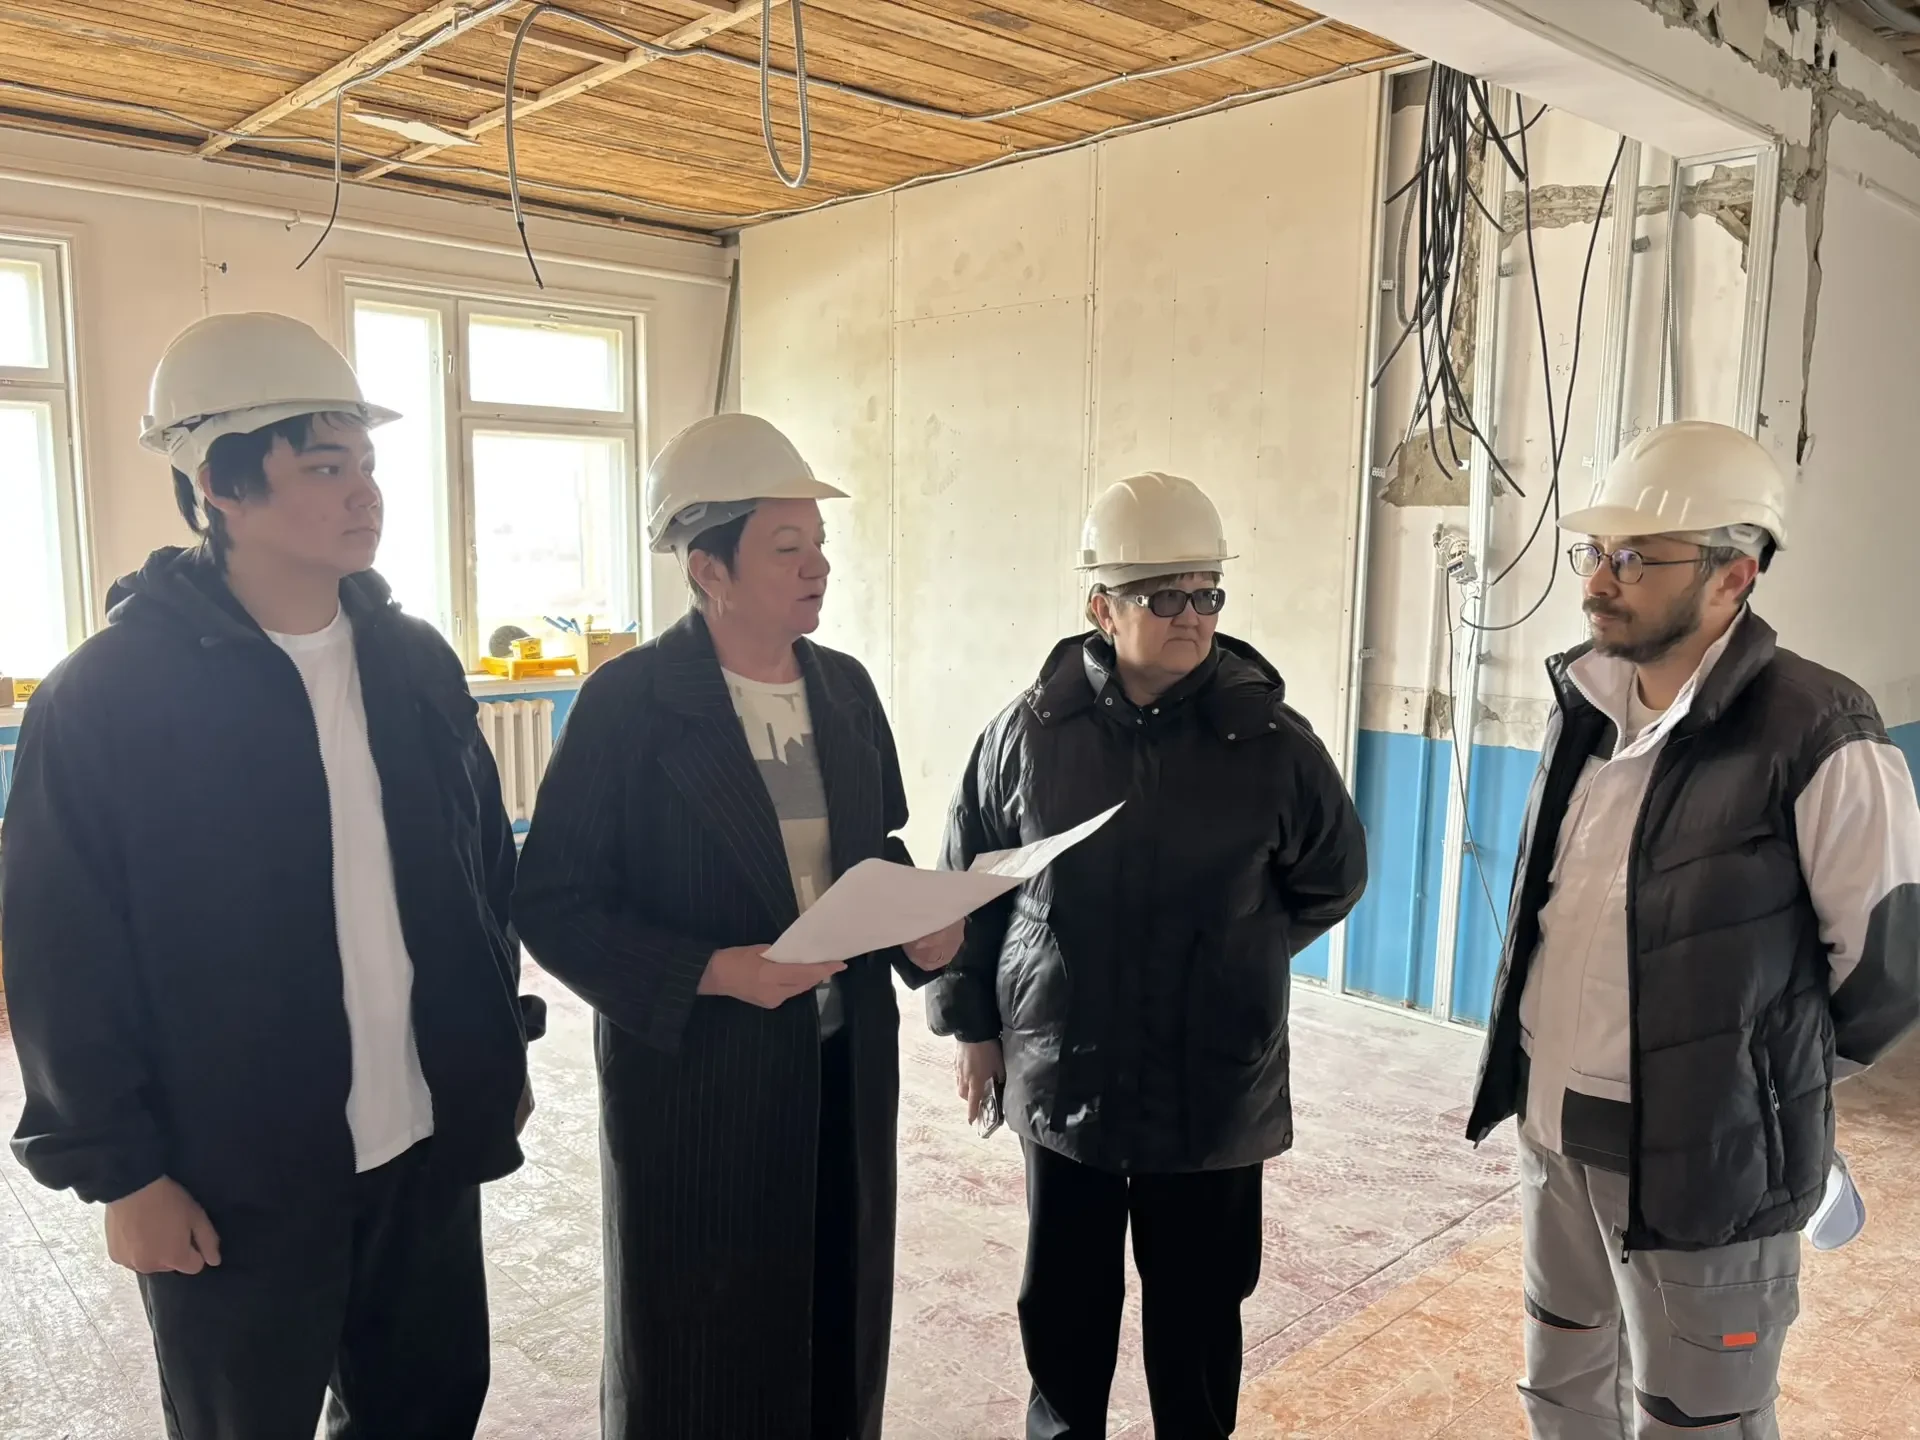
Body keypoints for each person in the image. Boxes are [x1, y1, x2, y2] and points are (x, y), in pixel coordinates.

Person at [1, 312, 543, 1439]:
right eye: (325, 467)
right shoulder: (109, 696)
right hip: (231, 1171)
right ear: (219, 485)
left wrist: (493, 1050)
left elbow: (481, 877)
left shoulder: (413, 663)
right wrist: (123, 1175)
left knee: (430, 1411)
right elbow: (61, 954)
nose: (365, 493)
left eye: (368, 465)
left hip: (421, 1144)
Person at [1464, 420, 1920, 1439]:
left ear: (1734, 576)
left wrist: (1757, 1088)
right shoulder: (1584, 703)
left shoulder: (1818, 730)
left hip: (1707, 1162)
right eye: (1595, 551)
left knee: (1696, 1418)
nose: (1600, 580)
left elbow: (1886, 973)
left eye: (1636, 558)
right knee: (1563, 1386)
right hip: (1555, 1134)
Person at [512, 412, 963, 1440]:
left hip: (842, 1073)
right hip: (700, 1088)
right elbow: (555, 902)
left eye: (820, 544)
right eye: (786, 547)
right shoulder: (629, 705)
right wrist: (711, 971)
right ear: (706, 568)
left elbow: (877, 849)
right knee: (701, 1347)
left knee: (836, 1319)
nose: (818, 567)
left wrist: (925, 932)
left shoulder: (842, 689)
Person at [927, 472, 1368, 1439]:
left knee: (1199, 1316)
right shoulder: (1028, 736)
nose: (1192, 616)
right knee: (1064, 1307)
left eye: (1207, 593)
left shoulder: (1273, 745)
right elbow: (970, 884)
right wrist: (972, 1028)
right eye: (1165, 596)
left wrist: (1234, 954)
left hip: (1210, 1083)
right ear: (1102, 607)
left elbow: (1332, 878)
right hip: (1064, 1066)